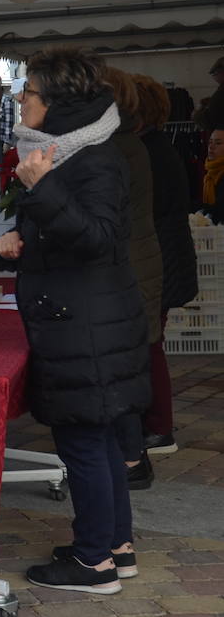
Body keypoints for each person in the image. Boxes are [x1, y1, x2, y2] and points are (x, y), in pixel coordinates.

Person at [0, 48, 148, 595]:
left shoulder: (92, 159)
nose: (19, 100)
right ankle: (115, 548)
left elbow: (98, 239)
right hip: (83, 320)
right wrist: (14, 244)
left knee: (84, 444)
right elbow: (62, 237)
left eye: (27, 92)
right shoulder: (61, 152)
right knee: (98, 442)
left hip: (86, 327)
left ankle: (92, 563)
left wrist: (44, 189)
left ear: (54, 102)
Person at [102, 67, 162, 491]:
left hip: (126, 271)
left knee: (123, 367)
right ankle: (131, 453)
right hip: (133, 265)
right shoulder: (123, 144)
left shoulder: (115, 149)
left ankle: (132, 458)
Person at [132, 74, 196, 458]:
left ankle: (158, 428)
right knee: (150, 343)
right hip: (164, 259)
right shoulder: (154, 146)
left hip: (159, 262)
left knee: (150, 344)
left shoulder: (150, 151)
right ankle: (155, 423)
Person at [191, 57, 224, 131]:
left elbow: (210, 119)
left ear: (220, 72)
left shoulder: (221, 92)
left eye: (214, 74)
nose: (214, 78)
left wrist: (198, 112)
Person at [202, 129, 224, 224]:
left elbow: (219, 209)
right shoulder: (210, 175)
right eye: (210, 142)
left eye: (218, 143)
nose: (211, 147)